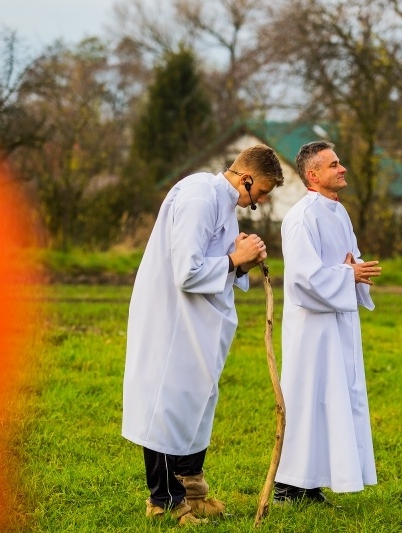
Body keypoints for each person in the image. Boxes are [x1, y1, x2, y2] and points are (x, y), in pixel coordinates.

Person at [122, 144, 284, 525]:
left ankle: (192, 491)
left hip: (201, 325)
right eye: (259, 193)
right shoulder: (198, 196)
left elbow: (220, 268)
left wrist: (241, 264)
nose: (256, 202)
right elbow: (188, 271)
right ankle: (164, 501)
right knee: (167, 405)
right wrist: (235, 258)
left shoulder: (223, 205)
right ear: (246, 178)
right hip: (172, 320)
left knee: (197, 401)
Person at [273, 140, 382, 504]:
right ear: (312, 174)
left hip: (338, 320)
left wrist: (357, 272)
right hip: (312, 327)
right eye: (334, 164)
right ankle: (290, 483)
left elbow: (346, 260)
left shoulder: (339, 212)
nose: (343, 168)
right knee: (310, 398)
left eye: (340, 162)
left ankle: (313, 481)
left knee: (334, 398)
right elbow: (303, 278)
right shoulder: (302, 216)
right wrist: (347, 275)